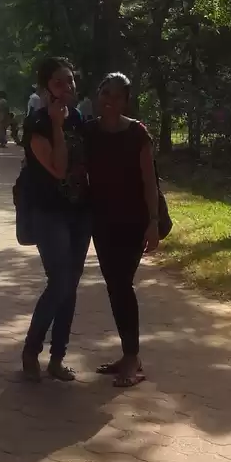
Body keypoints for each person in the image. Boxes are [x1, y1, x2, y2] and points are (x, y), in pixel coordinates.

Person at [84, 72, 161, 388]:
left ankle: (133, 359)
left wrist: (154, 222)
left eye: (117, 95)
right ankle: (129, 356)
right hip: (101, 221)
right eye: (105, 93)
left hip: (133, 221)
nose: (109, 100)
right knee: (115, 287)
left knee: (121, 284)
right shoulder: (88, 132)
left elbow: (149, 182)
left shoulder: (137, 134)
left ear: (126, 101)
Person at [20, 56, 91, 382]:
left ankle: (57, 357)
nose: (67, 87)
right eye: (59, 82)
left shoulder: (78, 118)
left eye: (70, 81)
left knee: (71, 286)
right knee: (59, 282)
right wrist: (57, 127)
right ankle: (32, 349)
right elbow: (59, 169)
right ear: (45, 88)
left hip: (79, 213)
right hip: (48, 213)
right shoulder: (36, 124)